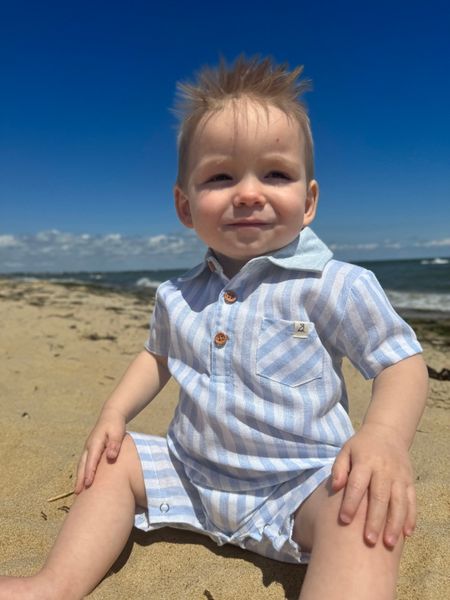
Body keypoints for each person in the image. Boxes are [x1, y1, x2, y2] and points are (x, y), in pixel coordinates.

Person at [0, 56, 428, 600]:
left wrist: (385, 437)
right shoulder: (176, 295)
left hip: (298, 489)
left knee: (363, 508)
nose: (248, 192)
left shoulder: (334, 285)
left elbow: (400, 362)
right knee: (117, 458)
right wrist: (114, 413)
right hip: (191, 474)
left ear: (310, 200)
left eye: (275, 173)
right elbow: (156, 357)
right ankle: (54, 585)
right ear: (185, 205)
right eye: (221, 176)